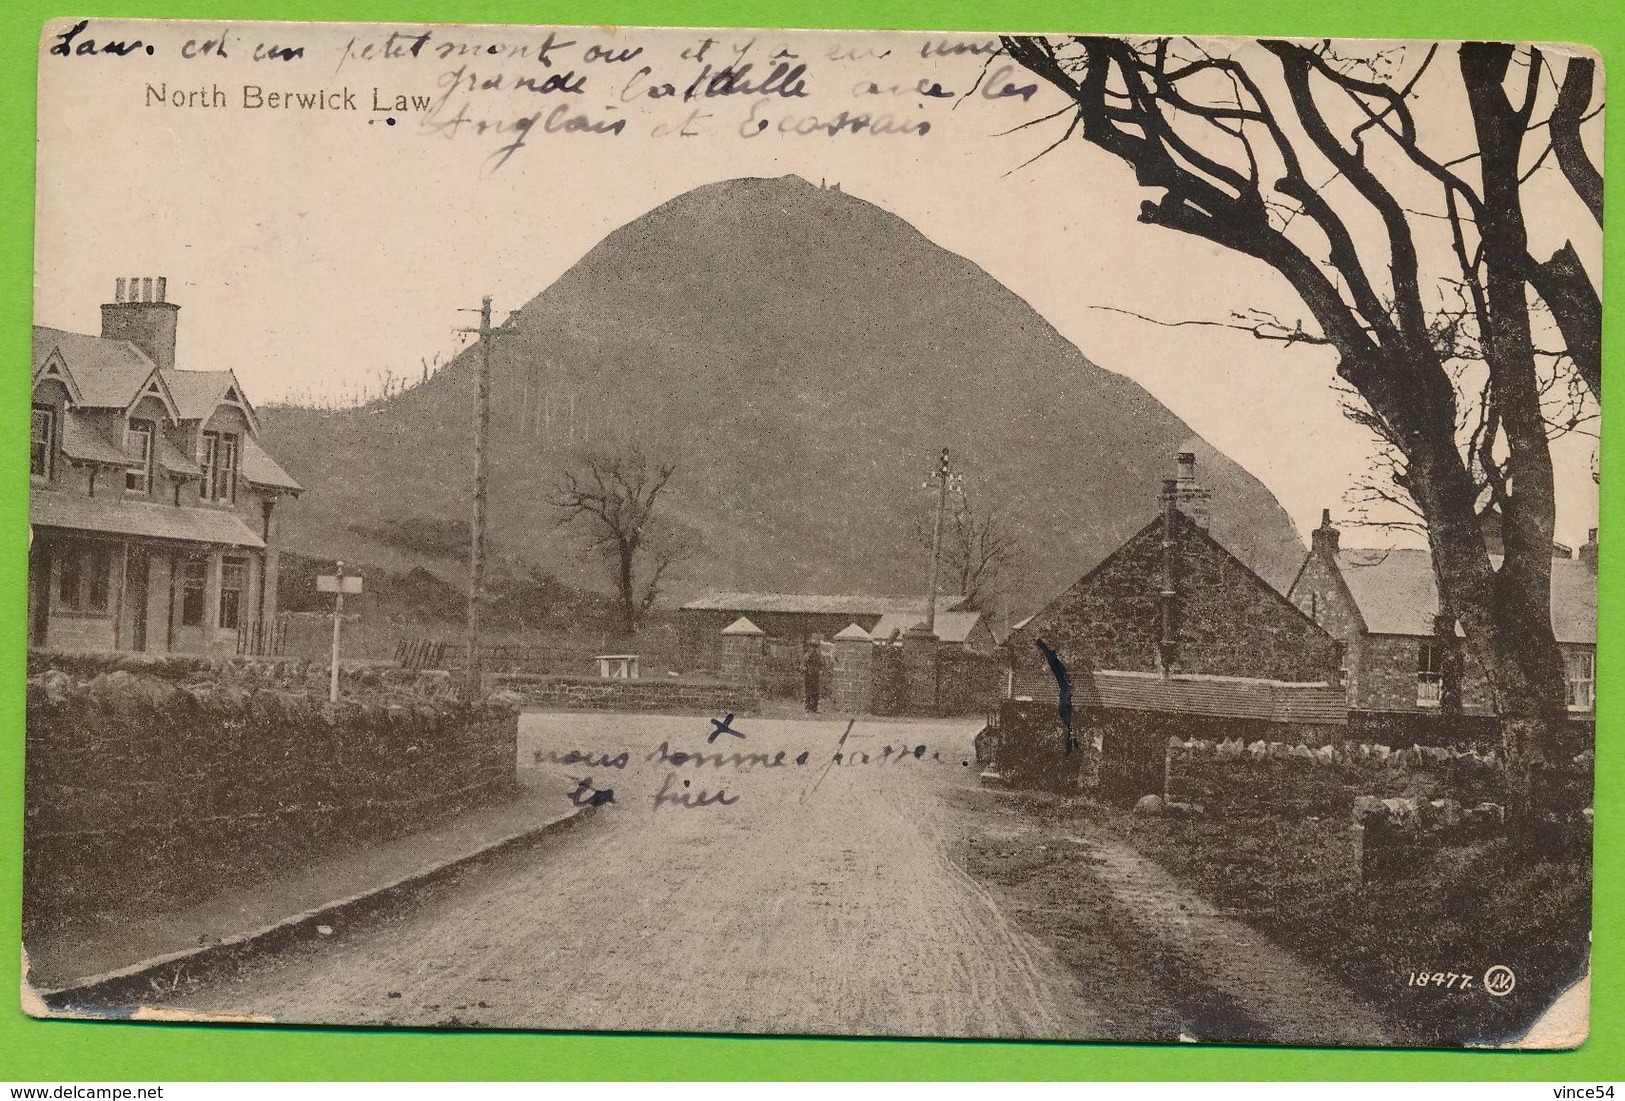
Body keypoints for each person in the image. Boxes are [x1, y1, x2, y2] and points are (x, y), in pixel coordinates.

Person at [802, 640, 822, 713]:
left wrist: (820, 670)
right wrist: (806, 669)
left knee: (816, 691)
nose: (814, 648)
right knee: (808, 691)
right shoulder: (807, 655)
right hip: (809, 675)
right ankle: (807, 707)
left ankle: (814, 707)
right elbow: (804, 664)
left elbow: (821, 664)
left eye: (815, 647)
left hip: (816, 675)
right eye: (813, 646)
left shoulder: (818, 655)